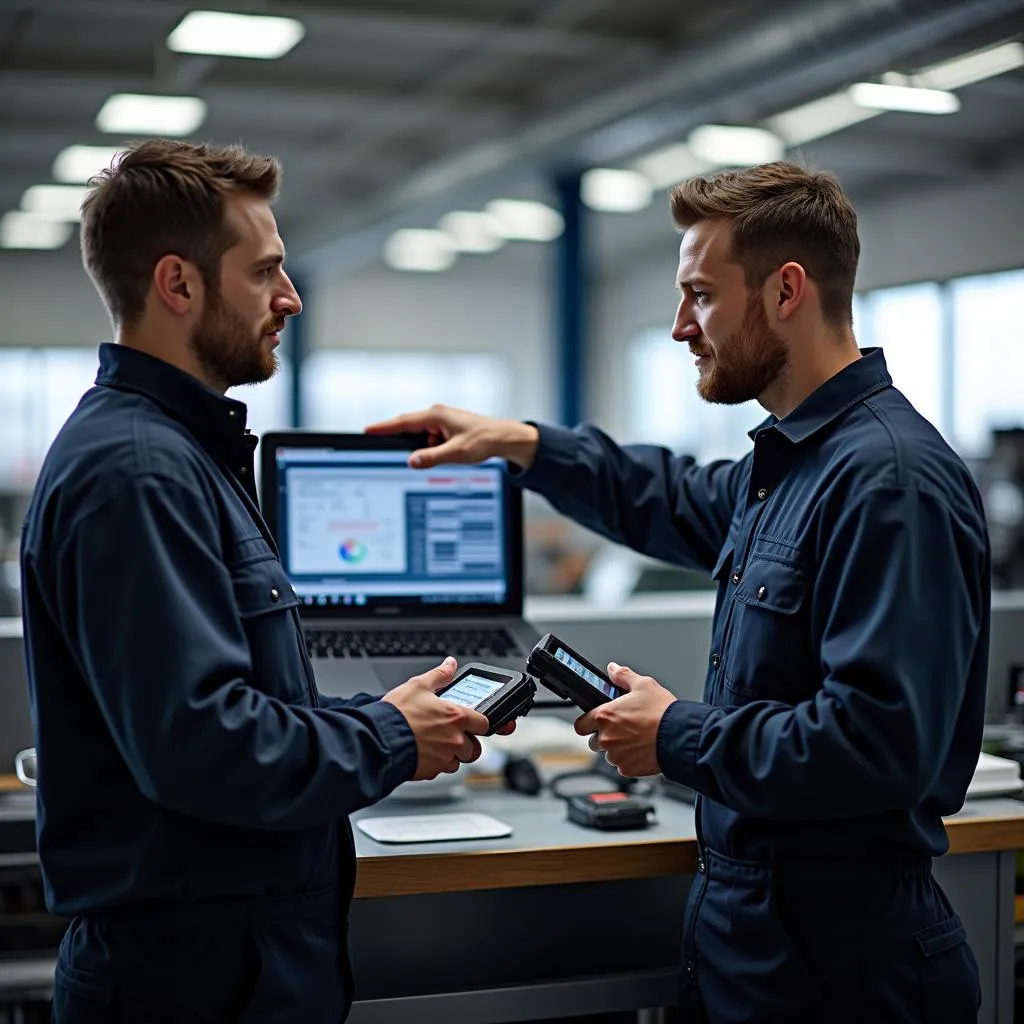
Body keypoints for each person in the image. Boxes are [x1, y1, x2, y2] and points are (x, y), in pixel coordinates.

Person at [368, 161, 991, 1023]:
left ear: (785, 291)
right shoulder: (792, 468)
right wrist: (522, 445)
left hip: (843, 966)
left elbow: (880, 748)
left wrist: (676, 735)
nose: (678, 328)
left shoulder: (888, 481)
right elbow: (666, 495)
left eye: (699, 295)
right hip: (757, 939)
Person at [20, 139, 506, 1024]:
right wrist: (392, 739)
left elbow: (228, 709)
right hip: (193, 976)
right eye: (266, 272)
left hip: (232, 949)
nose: (290, 299)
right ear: (179, 284)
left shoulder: (177, 457)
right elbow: (205, 747)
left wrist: (383, 721)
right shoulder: (138, 473)